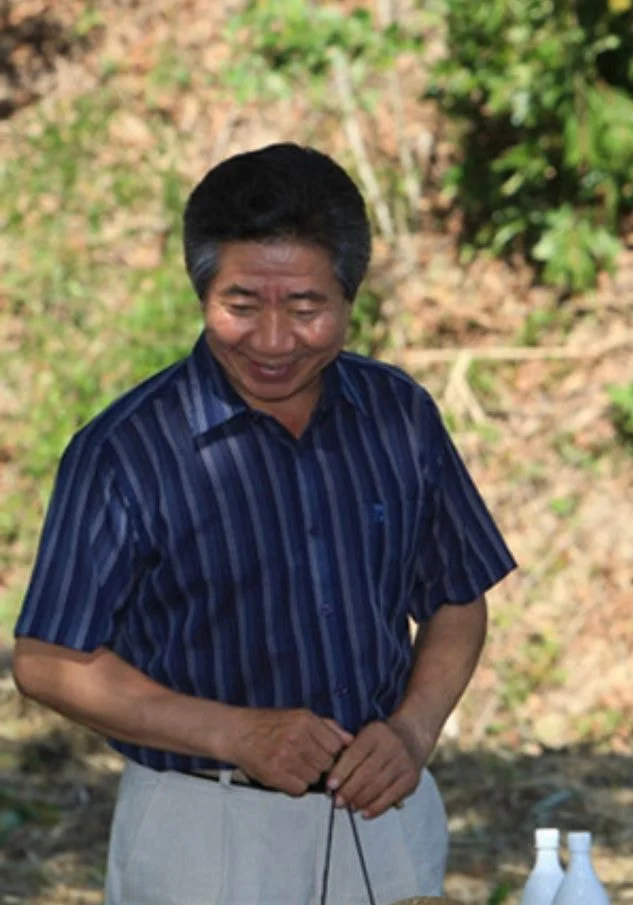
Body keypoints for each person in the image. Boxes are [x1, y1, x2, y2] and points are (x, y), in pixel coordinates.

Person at [12, 143, 516, 903]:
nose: (274, 340)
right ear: (201, 291)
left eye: (306, 307)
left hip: (383, 815)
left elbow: (455, 598)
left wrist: (413, 731)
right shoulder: (127, 449)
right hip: (201, 832)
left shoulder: (398, 416)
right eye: (242, 305)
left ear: (351, 297)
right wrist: (233, 732)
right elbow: (48, 659)